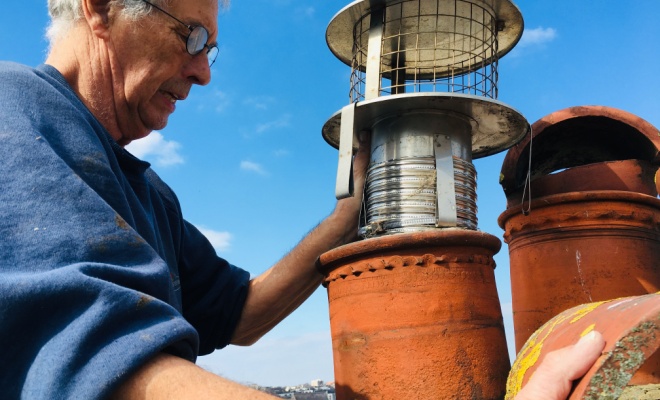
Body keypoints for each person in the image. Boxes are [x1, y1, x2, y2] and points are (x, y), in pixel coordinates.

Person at [0, 0, 604, 398]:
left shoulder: (149, 193)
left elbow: (240, 314)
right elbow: (111, 367)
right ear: (100, 8)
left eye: (210, 49)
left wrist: (345, 219)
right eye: (192, 34)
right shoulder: (15, 109)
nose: (203, 71)